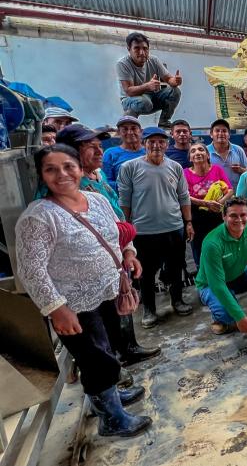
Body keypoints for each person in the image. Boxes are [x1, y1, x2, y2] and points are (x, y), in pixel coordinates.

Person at [16, 144, 151, 437]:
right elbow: (31, 270)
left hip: (108, 292)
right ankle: (111, 419)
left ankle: (109, 397)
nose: (62, 174)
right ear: (41, 175)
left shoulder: (96, 200)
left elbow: (117, 231)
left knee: (107, 349)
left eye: (68, 166)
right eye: (51, 169)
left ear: (79, 168)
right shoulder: (39, 217)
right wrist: (57, 308)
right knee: (94, 359)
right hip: (74, 304)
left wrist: (129, 253)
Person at [56, 126, 160, 366]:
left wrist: (128, 249)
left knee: (120, 305)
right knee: (97, 321)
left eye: (99, 146)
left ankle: (128, 349)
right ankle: (110, 368)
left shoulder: (98, 175)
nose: (99, 151)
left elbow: (115, 215)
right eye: (90, 146)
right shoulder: (64, 186)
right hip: (88, 267)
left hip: (115, 255)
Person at [118, 127, 193, 328]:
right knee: (145, 273)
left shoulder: (175, 167)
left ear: (167, 145)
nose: (156, 146)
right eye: (152, 141)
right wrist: (126, 230)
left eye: (161, 142)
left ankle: (177, 300)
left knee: (175, 268)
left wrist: (188, 222)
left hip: (174, 227)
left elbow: (183, 196)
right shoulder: (129, 167)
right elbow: (124, 200)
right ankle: (149, 310)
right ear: (144, 144)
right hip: (143, 231)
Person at [195, 197, 247, 334]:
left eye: (243, 215)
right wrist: (239, 316)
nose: (239, 220)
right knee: (229, 317)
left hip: (238, 275)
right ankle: (220, 318)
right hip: (211, 284)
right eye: (233, 215)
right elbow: (217, 284)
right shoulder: (212, 243)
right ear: (224, 216)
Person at [117, 32, 181, 128]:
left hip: (151, 99)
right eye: (137, 48)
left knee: (175, 91)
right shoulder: (123, 64)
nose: (142, 53)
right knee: (145, 102)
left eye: (145, 48)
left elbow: (168, 78)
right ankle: (127, 124)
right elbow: (129, 91)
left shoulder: (154, 60)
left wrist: (175, 81)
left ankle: (164, 121)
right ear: (129, 49)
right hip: (130, 100)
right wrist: (147, 86)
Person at [184, 142, 232, 265]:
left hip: (217, 214)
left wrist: (219, 203)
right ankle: (202, 274)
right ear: (190, 158)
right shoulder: (185, 173)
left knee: (220, 248)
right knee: (199, 250)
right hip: (196, 217)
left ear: (208, 155)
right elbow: (184, 196)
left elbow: (230, 190)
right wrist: (205, 203)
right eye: (193, 151)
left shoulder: (217, 169)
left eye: (201, 149)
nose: (197, 152)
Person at [101, 116, 144, 191]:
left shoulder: (150, 151)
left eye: (133, 128)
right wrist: (128, 186)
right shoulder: (110, 154)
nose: (130, 132)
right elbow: (105, 182)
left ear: (141, 131)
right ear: (118, 132)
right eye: (125, 129)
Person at [207, 118, 247, 190]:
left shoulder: (238, 150)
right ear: (211, 134)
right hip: (214, 195)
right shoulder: (205, 151)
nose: (221, 133)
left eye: (224, 131)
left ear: (229, 134)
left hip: (237, 194)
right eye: (217, 131)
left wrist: (240, 170)